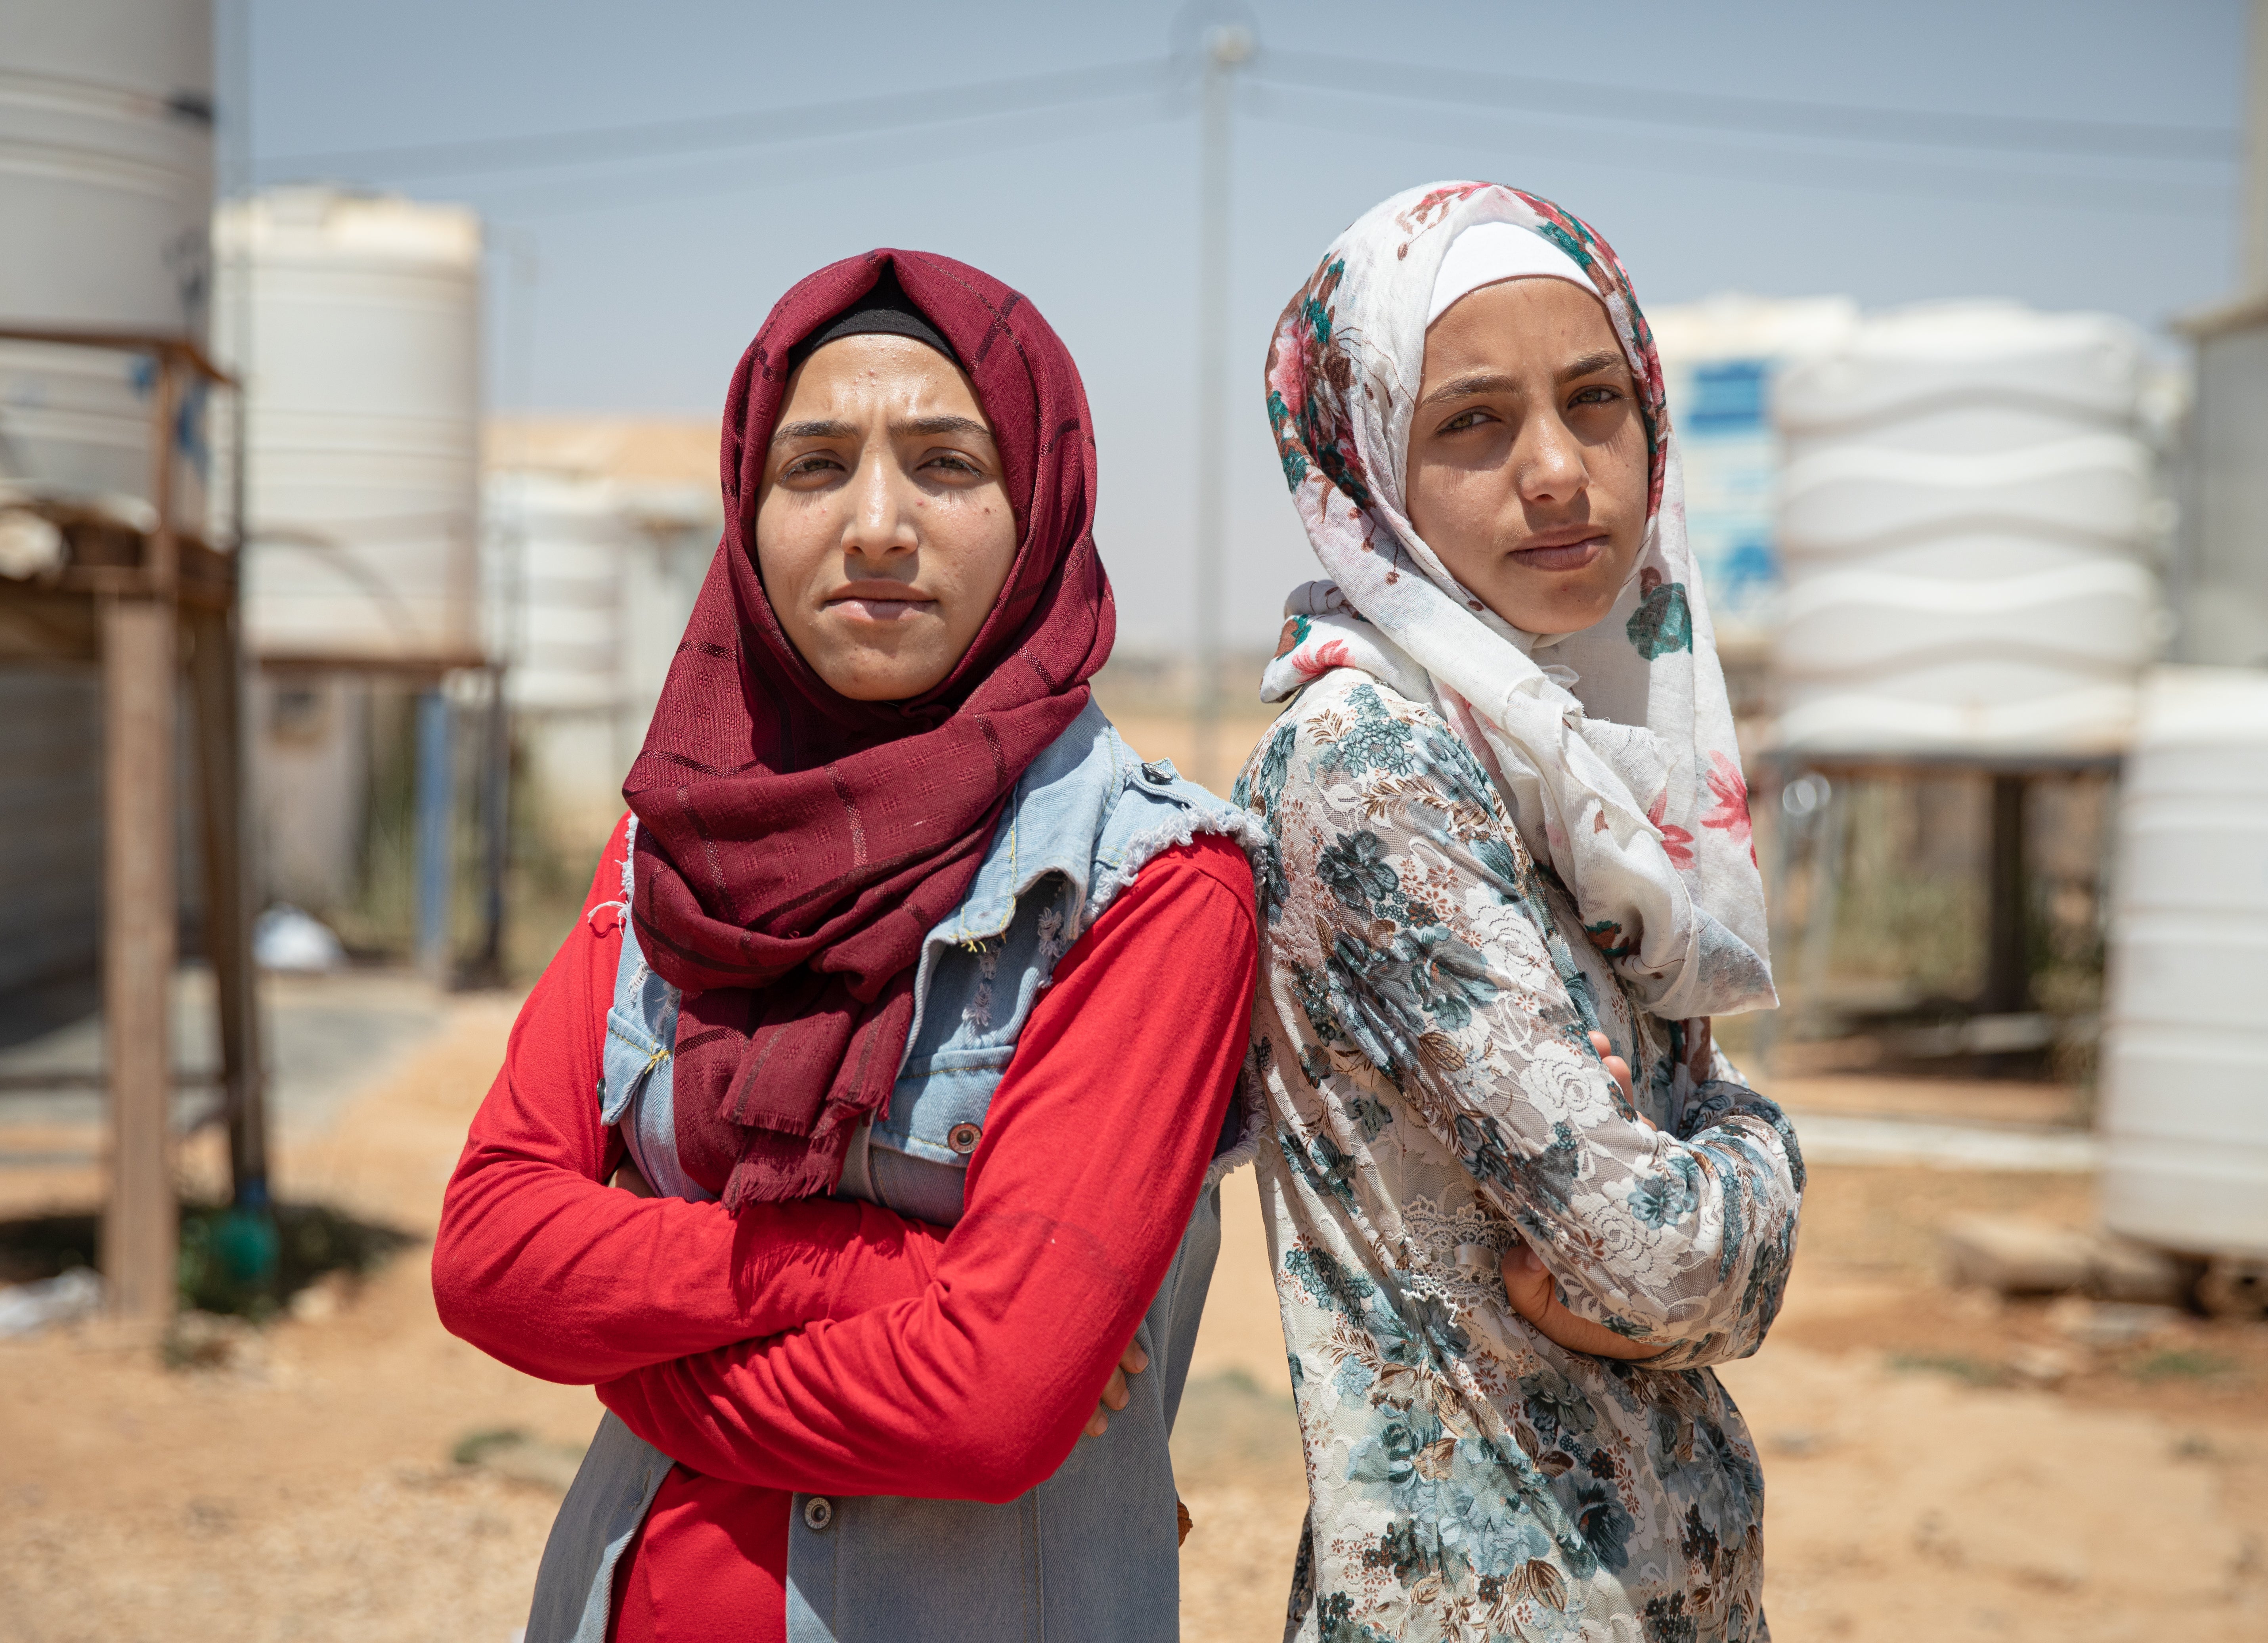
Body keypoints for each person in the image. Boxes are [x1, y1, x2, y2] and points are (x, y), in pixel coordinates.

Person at [431, 249, 1262, 1643]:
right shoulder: (667, 855)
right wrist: (862, 1272)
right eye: (815, 467)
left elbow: (993, 1403)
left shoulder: (1152, 893)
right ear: (747, 513)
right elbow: (489, 1251)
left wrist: (641, 1364)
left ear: (1041, 509)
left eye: (944, 465)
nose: (876, 524)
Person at [1233, 183, 1803, 1641]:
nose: (1556, 470)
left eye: (1594, 400)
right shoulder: (1371, 764)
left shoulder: (1571, 767)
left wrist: (1727, 1163)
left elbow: (1672, 1224)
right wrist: (1756, 1162)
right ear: (1368, 467)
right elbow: (1643, 1250)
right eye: (1473, 421)